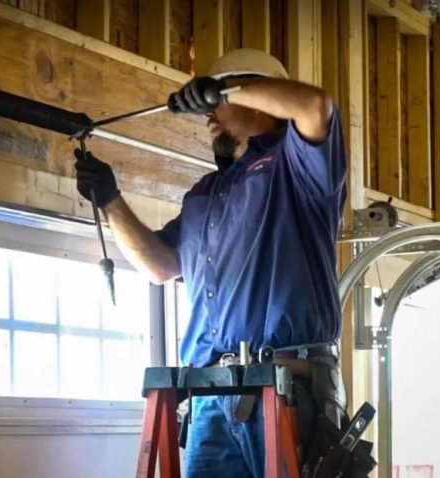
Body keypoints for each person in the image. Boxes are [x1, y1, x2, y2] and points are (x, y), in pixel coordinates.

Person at [74, 48, 347, 478]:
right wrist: (110, 200)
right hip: (210, 396)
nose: (207, 114)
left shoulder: (296, 167)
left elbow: (315, 106)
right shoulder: (205, 193)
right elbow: (160, 266)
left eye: (216, 100)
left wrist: (228, 88)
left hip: (285, 387)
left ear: (257, 97)